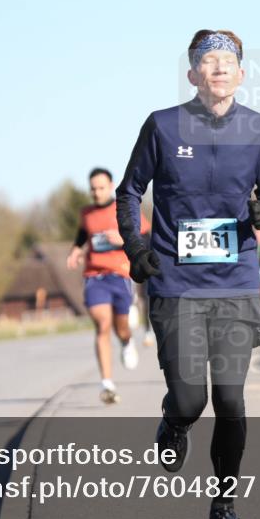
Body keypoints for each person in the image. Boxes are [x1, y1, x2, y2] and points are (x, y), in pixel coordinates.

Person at [116, 29, 260, 519]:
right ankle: (174, 422)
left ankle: (224, 508)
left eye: (226, 61)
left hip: (235, 284)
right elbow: (130, 191)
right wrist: (136, 248)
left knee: (231, 400)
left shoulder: (259, 128)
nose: (217, 67)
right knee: (191, 398)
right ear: (192, 74)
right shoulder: (163, 126)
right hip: (177, 283)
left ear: (241, 73)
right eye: (206, 61)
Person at [66, 167, 150, 405]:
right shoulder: (87, 213)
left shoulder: (123, 208)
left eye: (101, 187)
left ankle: (126, 341)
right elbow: (83, 234)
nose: (97, 192)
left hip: (120, 274)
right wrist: (75, 250)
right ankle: (107, 384)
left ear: (111, 186)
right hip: (95, 275)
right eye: (93, 189)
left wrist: (123, 240)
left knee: (120, 327)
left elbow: (146, 236)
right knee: (102, 324)